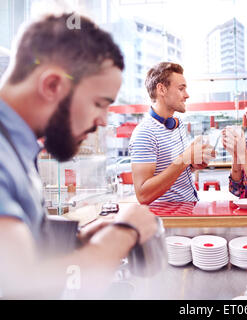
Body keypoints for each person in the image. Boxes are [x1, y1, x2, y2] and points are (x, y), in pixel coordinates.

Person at [0, 13, 158, 299]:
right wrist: (126, 231)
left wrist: (75, 242)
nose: (102, 121)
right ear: (51, 85)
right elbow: (18, 285)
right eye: (99, 104)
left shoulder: (17, 144)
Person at [129, 62, 215, 204]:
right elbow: (143, 196)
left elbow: (172, 172)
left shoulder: (177, 124)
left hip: (188, 208)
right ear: (161, 89)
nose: (187, 95)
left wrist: (192, 165)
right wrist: (184, 159)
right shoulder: (144, 133)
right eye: (181, 89)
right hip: (167, 218)